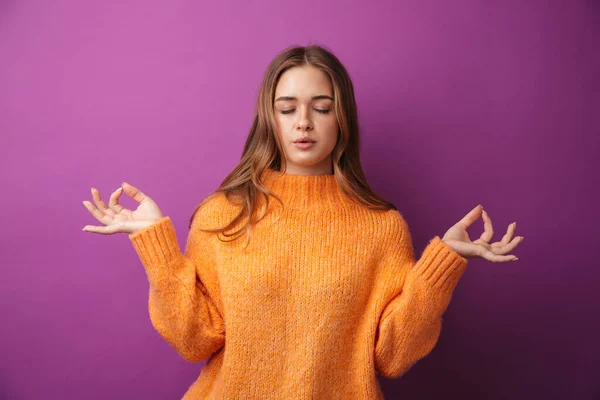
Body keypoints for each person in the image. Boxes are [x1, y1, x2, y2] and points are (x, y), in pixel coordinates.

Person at [82, 44, 523, 399]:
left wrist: (440, 268)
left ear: (342, 117)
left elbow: (392, 357)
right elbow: (194, 340)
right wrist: (156, 247)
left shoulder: (380, 226)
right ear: (269, 119)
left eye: (322, 107)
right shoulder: (224, 213)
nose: (304, 123)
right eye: (287, 108)